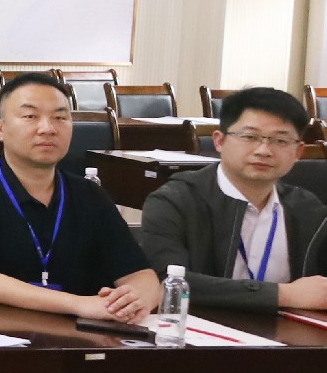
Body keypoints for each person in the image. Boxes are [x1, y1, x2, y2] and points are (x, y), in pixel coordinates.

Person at [0, 72, 161, 321]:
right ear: (0, 128)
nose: (47, 128)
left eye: (60, 118)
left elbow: (141, 275)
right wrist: (79, 305)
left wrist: (133, 301)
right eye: (30, 116)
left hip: (78, 335)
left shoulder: (90, 195)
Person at [140, 87, 327, 312]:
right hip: (197, 327)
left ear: (298, 152)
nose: (264, 150)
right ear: (219, 141)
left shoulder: (309, 210)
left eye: (280, 140)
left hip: (289, 331)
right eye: (250, 137)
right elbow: (165, 281)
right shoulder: (175, 201)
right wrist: (283, 295)